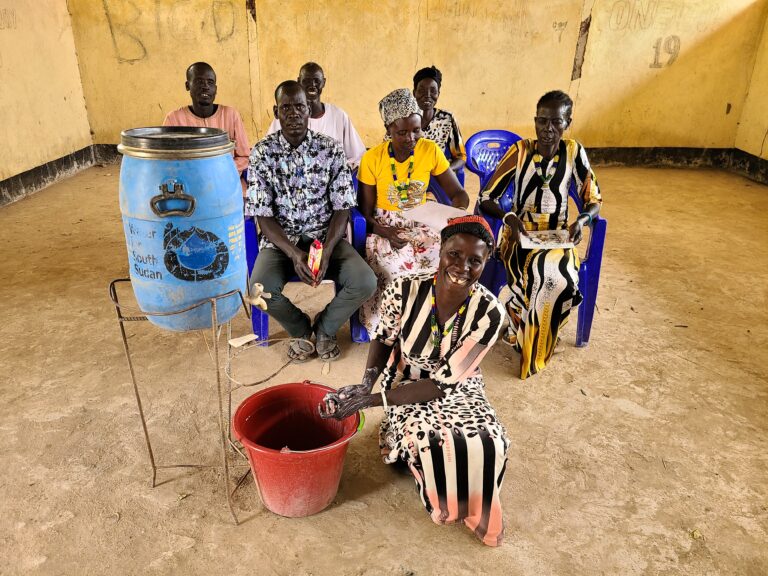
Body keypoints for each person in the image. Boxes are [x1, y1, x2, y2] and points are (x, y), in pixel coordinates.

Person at [320, 216, 509, 547]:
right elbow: (384, 339)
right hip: (405, 380)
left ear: (485, 263)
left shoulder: (490, 313)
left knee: (488, 440)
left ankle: (474, 509)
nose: (462, 267)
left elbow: (443, 385)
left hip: (459, 385)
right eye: (454, 254)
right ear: (440, 250)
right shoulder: (404, 289)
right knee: (430, 438)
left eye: (475, 261)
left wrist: (371, 401)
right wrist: (368, 383)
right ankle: (443, 497)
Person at [246, 81, 376, 362]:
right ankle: (301, 328)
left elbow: (343, 207)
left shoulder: (330, 149)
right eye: (286, 108)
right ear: (276, 112)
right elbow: (262, 213)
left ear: (309, 110)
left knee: (365, 281)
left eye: (300, 107)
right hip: (281, 241)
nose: (293, 114)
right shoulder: (262, 152)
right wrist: (294, 254)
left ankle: (326, 327)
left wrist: (327, 250)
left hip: (325, 236)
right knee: (257, 291)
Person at [478, 90, 602, 379]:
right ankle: (532, 339)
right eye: (542, 121)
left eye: (556, 122)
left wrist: (582, 220)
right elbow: (487, 196)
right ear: (535, 121)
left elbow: (593, 198)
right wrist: (509, 218)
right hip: (519, 235)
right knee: (538, 274)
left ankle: (528, 333)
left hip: (559, 236)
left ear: (567, 122)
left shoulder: (573, 152)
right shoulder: (520, 152)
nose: (548, 130)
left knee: (557, 277)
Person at [357, 88, 470, 333]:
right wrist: (386, 233)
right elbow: (364, 213)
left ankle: (433, 323)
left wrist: (452, 215)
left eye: (416, 130)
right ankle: (396, 328)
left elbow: (458, 194)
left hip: (423, 221)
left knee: (447, 260)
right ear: (388, 129)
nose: (411, 138)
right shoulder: (372, 159)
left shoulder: (429, 150)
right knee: (398, 269)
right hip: (386, 227)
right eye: (402, 132)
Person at [163, 62, 251, 195]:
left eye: (210, 82)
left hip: (227, 185)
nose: (205, 87)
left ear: (216, 89)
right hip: (189, 188)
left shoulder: (231, 115)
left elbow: (244, 156)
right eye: (199, 81)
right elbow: (165, 162)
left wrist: (219, 171)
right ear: (188, 85)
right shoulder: (173, 119)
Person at [267, 62, 366, 167]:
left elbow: (358, 157)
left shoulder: (339, 116)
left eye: (317, 81)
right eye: (307, 81)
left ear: (324, 82)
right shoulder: (286, 118)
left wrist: (339, 174)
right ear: (299, 82)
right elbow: (268, 153)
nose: (312, 85)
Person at [412, 66, 466, 174]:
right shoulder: (405, 120)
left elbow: (461, 156)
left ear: (438, 94)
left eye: (433, 91)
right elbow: (388, 150)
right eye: (421, 90)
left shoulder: (447, 119)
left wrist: (445, 172)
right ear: (414, 93)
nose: (427, 95)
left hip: (437, 176)